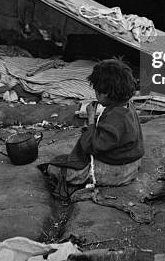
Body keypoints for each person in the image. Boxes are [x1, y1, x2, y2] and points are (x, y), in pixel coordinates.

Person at [40, 58, 144, 192]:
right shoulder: (126, 106)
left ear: (105, 93)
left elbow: (93, 147)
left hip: (118, 171)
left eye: (96, 91)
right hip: (133, 164)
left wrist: (90, 119)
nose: (95, 94)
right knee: (62, 160)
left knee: (55, 169)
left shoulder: (115, 117)